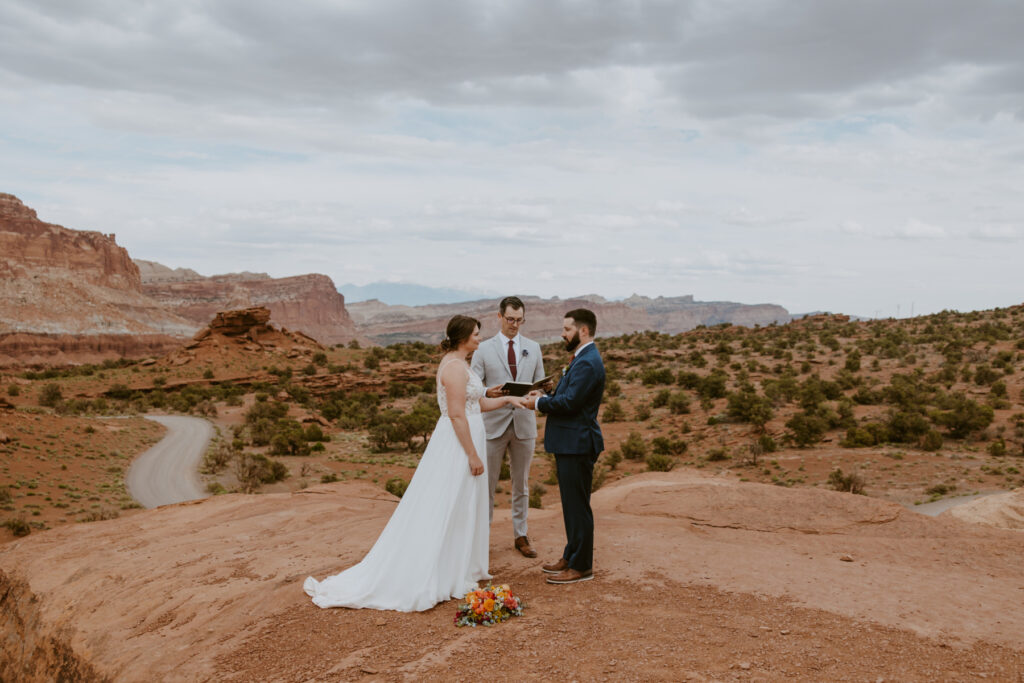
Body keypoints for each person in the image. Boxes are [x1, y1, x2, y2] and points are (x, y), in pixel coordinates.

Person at [304, 315, 527, 611]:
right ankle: (437, 570)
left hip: (466, 436)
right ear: (463, 338)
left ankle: (456, 566)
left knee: (461, 504)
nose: (479, 338)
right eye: (475, 334)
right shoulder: (454, 368)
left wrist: (507, 398)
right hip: (458, 445)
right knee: (447, 503)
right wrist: (473, 454)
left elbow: (477, 405)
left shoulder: (461, 364)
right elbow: (457, 415)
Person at [523, 308, 605, 585]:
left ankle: (581, 566)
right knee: (571, 506)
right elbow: (568, 396)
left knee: (578, 507)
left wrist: (536, 403)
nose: (562, 333)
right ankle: (571, 555)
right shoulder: (582, 358)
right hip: (571, 442)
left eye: (567, 329)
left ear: (583, 331)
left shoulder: (587, 362)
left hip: (578, 443)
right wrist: (546, 393)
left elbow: (570, 404)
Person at [470, 296, 547, 558]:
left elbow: (539, 383)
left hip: (524, 423)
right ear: (499, 317)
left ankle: (521, 535)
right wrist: (488, 392)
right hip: (493, 425)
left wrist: (539, 392)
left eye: (519, 320)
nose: (515, 324)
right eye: (511, 319)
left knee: (521, 484)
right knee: (487, 485)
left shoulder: (534, 348)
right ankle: (482, 537)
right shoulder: (482, 349)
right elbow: (473, 388)